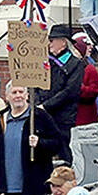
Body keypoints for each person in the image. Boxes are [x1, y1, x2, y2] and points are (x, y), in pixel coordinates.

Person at [37, 25, 85, 155]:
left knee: (64, 152)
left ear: (63, 42)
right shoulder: (44, 61)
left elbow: (70, 91)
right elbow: (36, 83)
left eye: (52, 40)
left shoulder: (75, 63)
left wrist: (46, 106)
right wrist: (37, 104)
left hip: (63, 118)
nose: (49, 44)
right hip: (42, 115)